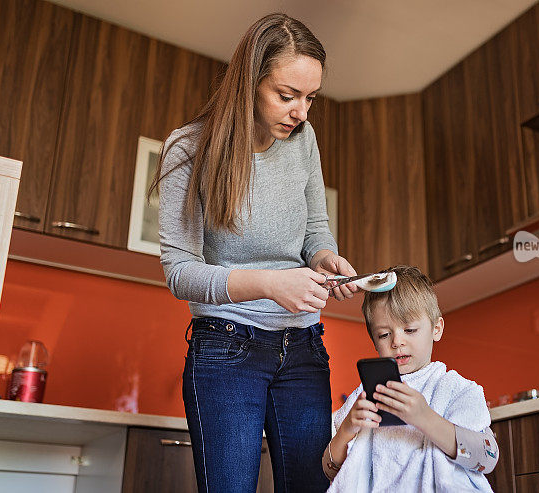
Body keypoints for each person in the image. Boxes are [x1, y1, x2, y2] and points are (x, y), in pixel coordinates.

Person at [152, 13, 358, 493]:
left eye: (310, 98)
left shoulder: (304, 141)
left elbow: (314, 229)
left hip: (303, 348)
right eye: (287, 96)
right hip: (226, 350)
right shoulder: (188, 149)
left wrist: (327, 260)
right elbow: (179, 272)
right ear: (249, 82)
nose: (301, 112)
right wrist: (270, 284)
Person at [323, 266, 498, 492]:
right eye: (384, 334)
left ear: (436, 329)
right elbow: (331, 471)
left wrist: (425, 418)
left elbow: (487, 458)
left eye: (410, 330)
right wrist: (348, 428)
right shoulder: (364, 397)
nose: (397, 341)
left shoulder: (458, 390)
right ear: (374, 342)